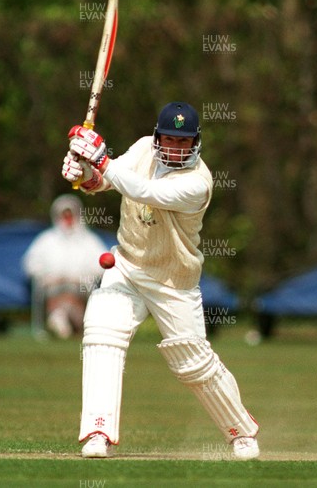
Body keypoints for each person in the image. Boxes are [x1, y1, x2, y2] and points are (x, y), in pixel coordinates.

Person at [61, 102, 260, 459]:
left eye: (183, 142)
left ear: (196, 143)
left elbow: (145, 192)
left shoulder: (198, 182)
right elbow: (109, 180)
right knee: (101, 333)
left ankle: (241, 432)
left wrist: (100, 158)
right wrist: (86, 173)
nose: (175, 147)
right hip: (127, 266)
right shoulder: (142, 148)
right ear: (157, 137)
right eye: (169, 139)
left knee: (192, 364)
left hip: (174, 281)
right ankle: (98, 431)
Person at [22, 194, 107, 338]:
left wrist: (82, 278)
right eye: (64, 215)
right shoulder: (46, 239)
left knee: (73, 293)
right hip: (52, 285)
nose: (68, 220)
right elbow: (30, 263)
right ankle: (63, 320)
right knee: (57, 293)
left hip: (80, 286)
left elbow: (102, 264)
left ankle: (61, 319)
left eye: (71, 215)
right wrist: (46, 277)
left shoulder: (89, 240)